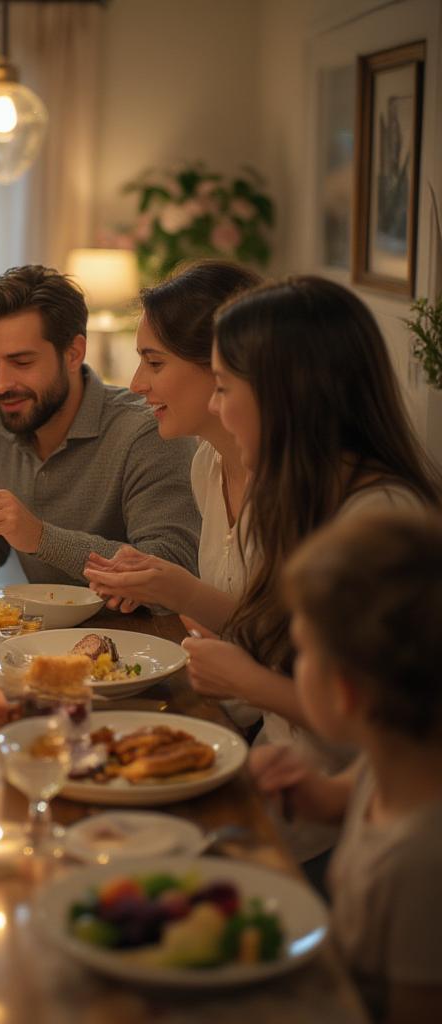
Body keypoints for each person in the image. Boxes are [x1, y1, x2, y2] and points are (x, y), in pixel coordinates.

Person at [179, 275, 440, 867]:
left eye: (222, 387)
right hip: (292, 792)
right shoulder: (295, 493)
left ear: (283, 395)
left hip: (343, 841)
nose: (216, 408)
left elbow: (386, 730)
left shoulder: (377, 519)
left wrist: (244, 681)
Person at [251, 509, 442, 1024]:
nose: (293, 662)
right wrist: (319, 796)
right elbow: (357, 793)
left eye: (302, 651)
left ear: (346, 692)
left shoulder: (420, 867)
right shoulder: (399, 759)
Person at [0, 264, 200, 585]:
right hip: (33, 632)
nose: (0, 385)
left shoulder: (148, 429)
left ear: (73, 354)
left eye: (21, 362)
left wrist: (41, 538)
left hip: (139, 634)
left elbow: (172, 564)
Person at [83, 259, 260, 626]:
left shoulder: (301, 484)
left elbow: (287, 648)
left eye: (154, 363)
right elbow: (243, 621)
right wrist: (160, 583)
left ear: (220, 364)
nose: (136, 383)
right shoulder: (207, 465)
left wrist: (183, 593)